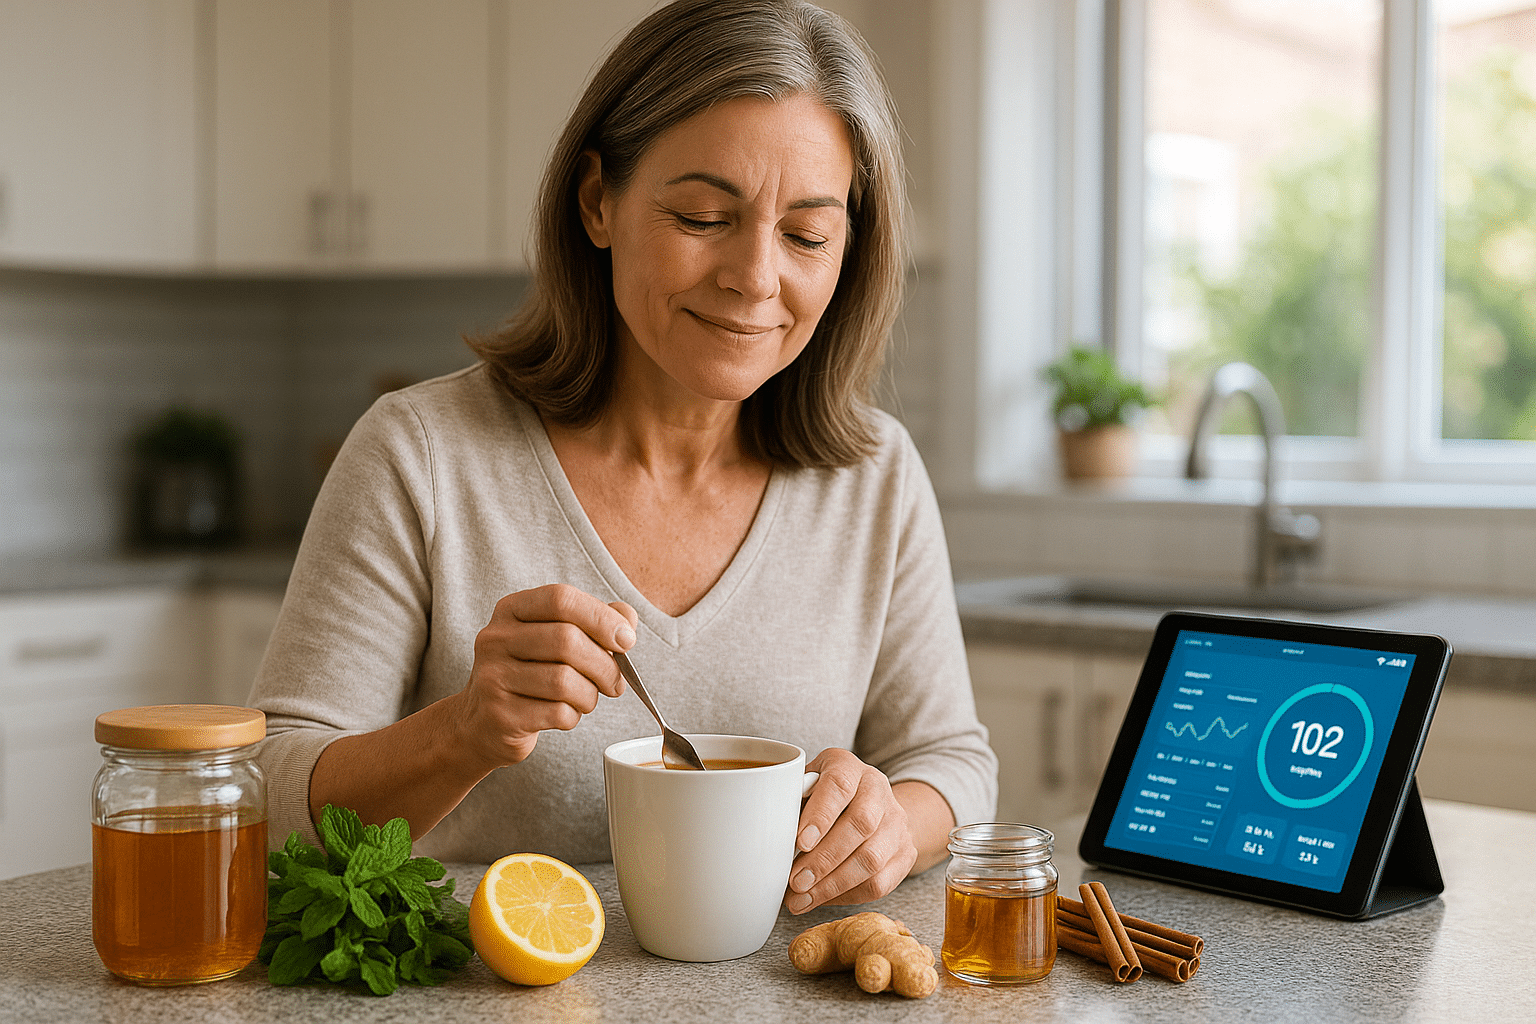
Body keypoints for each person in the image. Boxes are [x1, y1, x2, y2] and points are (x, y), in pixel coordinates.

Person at [250, 0, 996, 916]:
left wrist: (895, 824)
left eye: (806, 235)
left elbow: (951, 765)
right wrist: (464, 733)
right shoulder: (421, 455)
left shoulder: (874, 476)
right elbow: (270, 796)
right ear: (598, 200)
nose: (756, 278)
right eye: (702, 216)